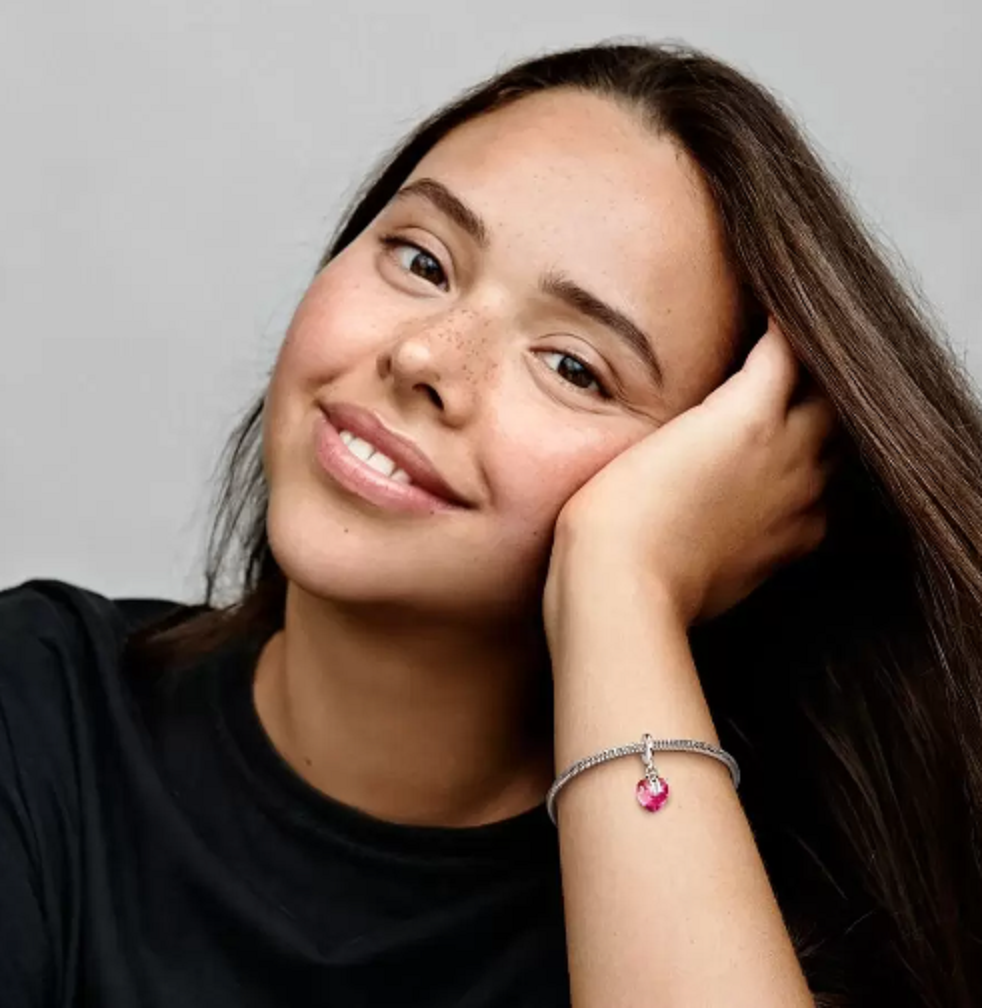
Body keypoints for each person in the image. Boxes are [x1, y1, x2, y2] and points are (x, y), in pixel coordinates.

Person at [2, 39, 980, 1008]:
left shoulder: (784, 924)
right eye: (422, 260)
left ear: (727, 487)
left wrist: (622, 583)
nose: (425, 355)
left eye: (573, 367)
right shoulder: (36, 705)